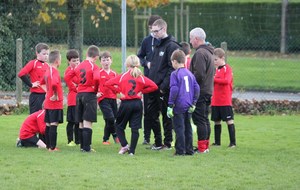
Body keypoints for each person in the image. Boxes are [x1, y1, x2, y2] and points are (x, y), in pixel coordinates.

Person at [105, 55, 158, 155]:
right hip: (137, 104)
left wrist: (119, 91)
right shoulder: (141, 77)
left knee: (118, 126)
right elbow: (154, 86)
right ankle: (132, 151)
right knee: (135, 128)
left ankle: (124, 145)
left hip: (126, 103)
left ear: (127, 64)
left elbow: (108, 83)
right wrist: (142, 91)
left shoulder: (123, 76)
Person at [145, 18, 181, 150]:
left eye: (156, 31)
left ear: (163, 29)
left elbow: (172, 69)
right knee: (151, 114)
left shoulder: (172, 46)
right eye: (152, 31)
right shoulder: (158, 44)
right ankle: (158, 142)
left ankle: (167, 142)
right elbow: (154, 67)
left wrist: (163, 87)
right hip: (152, 87)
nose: (154, 34)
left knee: (166, 116)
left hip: (163, 89)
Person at [65, 45, 100, 152]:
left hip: (79, 95)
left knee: (80, 121)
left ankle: (82, 147)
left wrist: (74, 87)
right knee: (88, 121)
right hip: (89, 94)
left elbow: (67, 77)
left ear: (86, 55)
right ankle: (87, 147)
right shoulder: (94, 67)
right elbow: (97, 78)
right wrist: (96, 89)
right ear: (96, 57)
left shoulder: (78, 66)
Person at [167, 50, 200, 156]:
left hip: (179, 105)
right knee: (188, 127)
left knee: (179, 128)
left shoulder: (175, 74)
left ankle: (180, 150)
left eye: (172, 62)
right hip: (189, 105)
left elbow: (174, 89)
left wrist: (170, 104)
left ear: (175, 62)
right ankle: (189, 150)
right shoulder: (190, 73)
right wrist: (194, 102)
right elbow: (197, 88)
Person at [137, 15, 162, 145]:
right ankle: (147, 137)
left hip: (161, 82)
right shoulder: (146, 41)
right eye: (150, 28)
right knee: (147, 110)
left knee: (161, 111)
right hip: (147, 81)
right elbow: (139, 56)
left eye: (153, 28)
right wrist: (146, 63)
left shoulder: (166, 42)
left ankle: (165, 139)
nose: (152, 31)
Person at [189, 27, 214, 153]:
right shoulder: (209, 52)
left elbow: (199, 75)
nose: (190, 41)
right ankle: (205, 146)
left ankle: (202, 147)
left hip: (200, 91)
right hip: (208, 90)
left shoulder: (200, 53)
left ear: (196, 39)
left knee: (199, 120)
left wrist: (189, 82)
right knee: (204, 119)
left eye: (191, 38)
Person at [211, 48, 236, 148]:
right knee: (216, 121)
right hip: (215, 101)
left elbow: (226, 81)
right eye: (213, 60)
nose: (214, 62)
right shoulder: (216, 70)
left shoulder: (227, 69)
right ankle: (217, 142)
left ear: (222, 58)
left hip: (225, 101)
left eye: (216, 59)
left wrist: (214, 79)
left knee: (229, 121)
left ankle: (233, 143)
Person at [40, 50, 64, 152]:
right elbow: (54, 83)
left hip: (48, 102)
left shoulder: (47, 70)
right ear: (57, 61)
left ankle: (49, 146)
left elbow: (41, 83)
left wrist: (48, 92)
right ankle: (52, 147)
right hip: (55, 103)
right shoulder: (54, 71)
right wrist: (54, 94)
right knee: (54, 124)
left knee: (49, 124)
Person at [18, 43, 49, 114]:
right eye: (44, 54)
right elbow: (21, 74)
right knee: (35, 117)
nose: (46, 56)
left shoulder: (47, 65)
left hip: (46, 95)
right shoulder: (33, 63)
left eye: (47, 54)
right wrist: (31, 84)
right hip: (36, 96)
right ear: (37, 53)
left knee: (45, 118)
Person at [97, 51, 119, 145]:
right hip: (103, 99)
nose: (106, 62)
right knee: (110, 118)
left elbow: (118, 86)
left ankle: (105, 139)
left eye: (107, 60)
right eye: (104, 60)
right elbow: (94, 85)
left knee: (109, 120)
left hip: (113, 98)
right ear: (100, 62)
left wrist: (118, 92)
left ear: (111, 61)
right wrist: (96, 93)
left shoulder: (114, 74)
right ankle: (115, 135)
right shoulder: (98, 73)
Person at [64, 49, 80, 146]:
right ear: (69, 61)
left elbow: (81, 81)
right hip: (72, 100)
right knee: (71, 122)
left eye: (77, 60)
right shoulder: (68, 71)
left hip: (80, 99)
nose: (76, 62)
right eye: (74, 61)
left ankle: (78, 141)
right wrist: (78, 87)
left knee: (78, 121)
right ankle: (70, 140)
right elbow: (71, 85)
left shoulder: (80, 69)